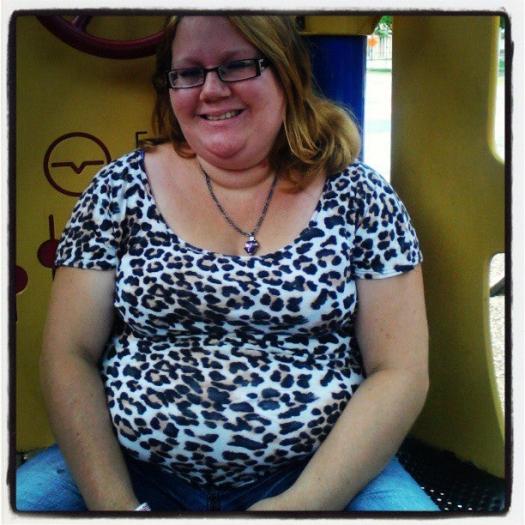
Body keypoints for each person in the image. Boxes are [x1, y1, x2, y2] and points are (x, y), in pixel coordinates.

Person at [16, 15, 438, 512]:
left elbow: (399, 371)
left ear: (286, 72)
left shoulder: (360, 196)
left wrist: (304, 504)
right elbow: (69, 354)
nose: (211, 90)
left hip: (324, 473)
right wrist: (114, 506)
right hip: (127, 467)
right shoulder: (118, 191)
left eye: (237, 65)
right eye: (189, 72)